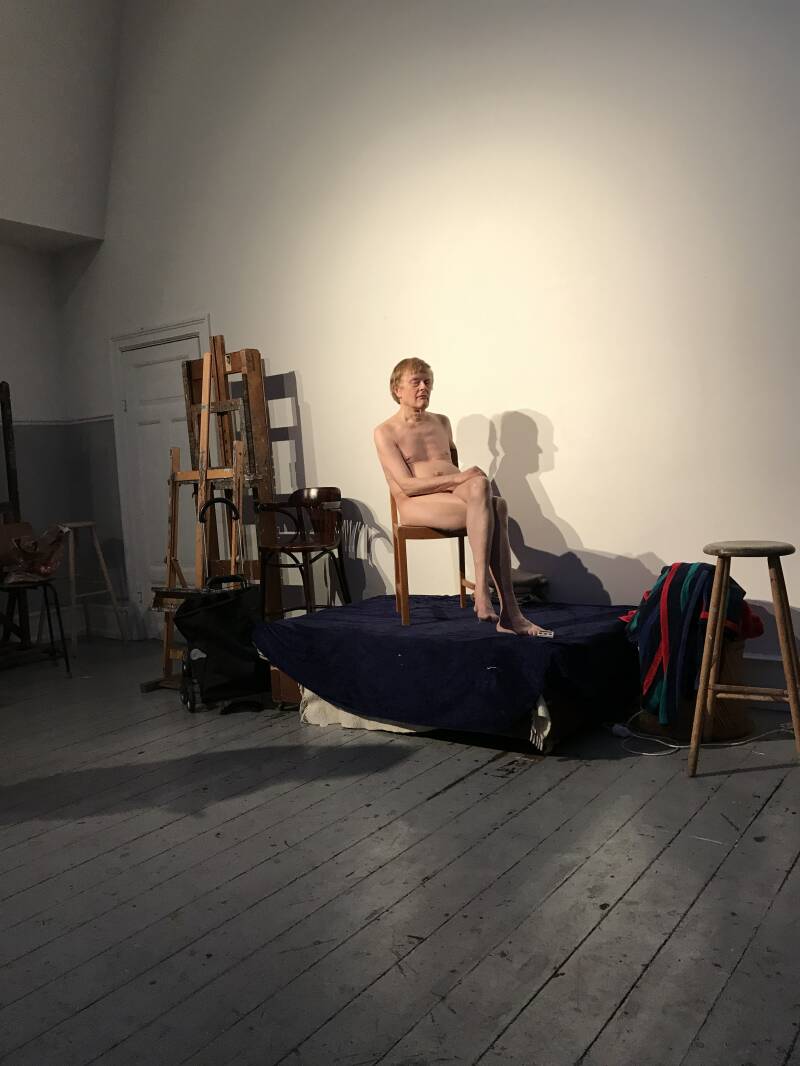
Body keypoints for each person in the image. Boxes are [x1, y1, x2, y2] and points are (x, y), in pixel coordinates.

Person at [373, 357, 553, 637]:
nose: (424, 387)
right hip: (416, 503)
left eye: (428, 382)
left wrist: (461, 479)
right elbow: (407, 486)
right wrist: (457, 478)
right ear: (397, 389)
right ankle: (507, 610)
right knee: (497, 507)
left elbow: (450, 466)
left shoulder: (442, 422)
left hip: (452, 495)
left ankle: (483, 589)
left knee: (483, 486)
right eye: (416, 382)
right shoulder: (385, 432)